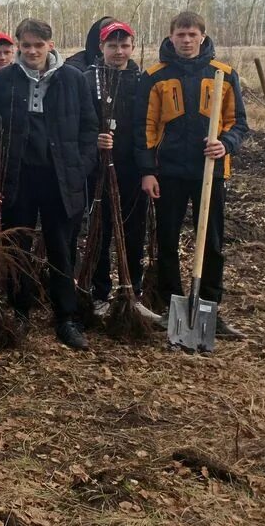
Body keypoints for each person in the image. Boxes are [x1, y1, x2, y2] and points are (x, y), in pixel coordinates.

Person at [0, 18, 97, 350]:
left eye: (39, 45)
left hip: (61, 178)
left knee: (61, 247)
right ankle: (20, 311)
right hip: (18, 177)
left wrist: (81, 166)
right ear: (19, 45)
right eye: (26, 45)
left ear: (51, 44)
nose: (32, 51)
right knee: (17, 246)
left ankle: (67, 318)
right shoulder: (2, 82)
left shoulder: (74, 80)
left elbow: (89, 128)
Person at [135, 11, 249, 339]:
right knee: (168, 242)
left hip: (210, 172)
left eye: (192, 34)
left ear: (202, 35)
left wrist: (225, 143)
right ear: (170, 37)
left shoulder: (224, 75)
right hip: (168, 173)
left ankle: (210, 310)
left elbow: (238, 122)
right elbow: (146, 128)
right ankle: (174, 310)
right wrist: (147, 171)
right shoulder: (155, 76)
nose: (186, 40)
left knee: (212, 243)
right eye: (180, 34)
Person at [84, 21, 158, 319]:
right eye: (112, 45)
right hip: (98, 169)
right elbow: (80, 120)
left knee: (133, 230)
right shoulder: (88, 79)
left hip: (132, 167)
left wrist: (147, 168)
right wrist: (94, 139)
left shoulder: (142, 80)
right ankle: (99, 292)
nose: (118, 51)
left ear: (132, 46)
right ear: (101, 47)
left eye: (124, 45)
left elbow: (147, 127)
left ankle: (132, 291)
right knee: (99, 230)